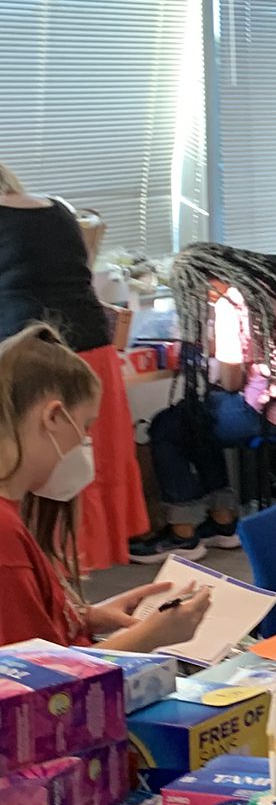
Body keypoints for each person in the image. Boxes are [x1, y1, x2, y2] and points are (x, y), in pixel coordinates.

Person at [0, 325, 213, 650]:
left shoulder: (13, 514)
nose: (87, 443)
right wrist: (146, 638)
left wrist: (87, 616)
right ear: (54, 417)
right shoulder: (5, 533)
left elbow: (31, 628)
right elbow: (34, 684)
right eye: (85, 426)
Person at [131, 244, 276, 563]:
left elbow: (231, 381)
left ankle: (183, 534)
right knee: (200, 417)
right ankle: (222, 523)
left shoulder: (234, 302)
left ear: (209, 281)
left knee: (167, 427)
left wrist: (213, 353)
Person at [0, 162, 149, 572]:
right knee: (85, 466)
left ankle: (43, 575)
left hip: (33, 363)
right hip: (93, 355)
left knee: (34, 471)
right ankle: (69, 575)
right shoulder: (58, 210)